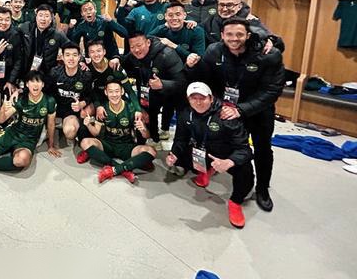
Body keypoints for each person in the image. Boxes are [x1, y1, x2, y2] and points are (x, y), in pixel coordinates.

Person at [186, 18, 285, 212]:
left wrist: (241, 110)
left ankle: (262, 189)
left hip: (258, 112)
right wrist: (192, 67)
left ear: (248, 35)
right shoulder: (214, 51)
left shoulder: (268, 54)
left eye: (239, 34)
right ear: (222, 35)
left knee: (262, 150)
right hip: (226, 108)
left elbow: (272, 91)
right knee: (223, 143)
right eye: (229, 34)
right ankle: (224, 171)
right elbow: (205, 79)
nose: (234, 38)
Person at [166, 82, 254, 229]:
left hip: (227, 155)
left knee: (245, 173)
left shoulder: (226, 115)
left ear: (211, 98)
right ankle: (207, 170)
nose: (198, 102)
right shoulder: (185, 114)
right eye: (194, 98)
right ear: (188, 99)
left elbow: (245, 150)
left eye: (202, 98)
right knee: (180, 158)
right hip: (203, 150)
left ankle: (235, 202)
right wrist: (174, 154)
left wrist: (229, 162)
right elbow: (180, 139)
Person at [80, 80, 156, 183]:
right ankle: (122, 169)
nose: (114, 95)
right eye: (111, 91)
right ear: (106, 92)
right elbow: (96, 132)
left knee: (151, 151)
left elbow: (146, 136)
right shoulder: (102, 109)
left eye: (117, 91)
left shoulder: (132, 109)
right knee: (85, 142)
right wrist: (88, 125)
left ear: (122, 91)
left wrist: (143, 129)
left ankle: (114, 170)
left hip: (127, 146)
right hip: (108, 144)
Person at [149, 1, 206, 139]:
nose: (174, 18)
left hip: (188, 75)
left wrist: (173, 45)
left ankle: (184, 138)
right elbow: (146, 38)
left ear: (184, 15)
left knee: (183, 108)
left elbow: (198, 57)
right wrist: (163, 26)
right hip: (167, 73)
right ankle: (164, 129)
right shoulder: (163, 29)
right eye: (170, 15)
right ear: (165, 17)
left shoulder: (195, 30)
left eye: (178, 14)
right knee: (166, 103)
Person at [122, 32, 186, 146]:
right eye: (132, 47)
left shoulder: (167, 54)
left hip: (169, 90)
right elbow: (123, 63)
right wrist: (116, 59)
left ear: (148, 42)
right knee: (149, 113)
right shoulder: (132, 56)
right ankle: (154, 138)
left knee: (169, 107)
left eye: (139, 45)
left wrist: (163, 84)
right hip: (147, 91)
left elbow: (182, 82)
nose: (136, 50)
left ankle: (165, 129)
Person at [46, 44, 93, 155]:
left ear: (79, 57)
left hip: (71, 112)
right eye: (67, 55)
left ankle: (69, 128)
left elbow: (90, 96)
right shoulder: (55, 72)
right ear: (62, 57)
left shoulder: (85, 75)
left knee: (70, 132)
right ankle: (52, 126)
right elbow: (47, 91)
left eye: (74, 55)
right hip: (56, 109)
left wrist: (82, 104)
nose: (71, 58)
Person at [202, 0, 284, 51]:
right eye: (221, 5)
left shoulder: (250, 20)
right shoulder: (210, 21)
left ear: (239, 6)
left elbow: (275, 41)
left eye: (229, 5)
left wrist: (270, 41)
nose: (225, 9)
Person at [18, 4, 71, 76]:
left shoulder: (57, 34)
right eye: (40, 15)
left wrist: (81, 61)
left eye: (46, 16)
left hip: (47, 72)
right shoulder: (25, 28)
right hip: (26, 70)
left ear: (51, 19)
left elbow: (70, 47)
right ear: (36, 17)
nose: (43, 19)